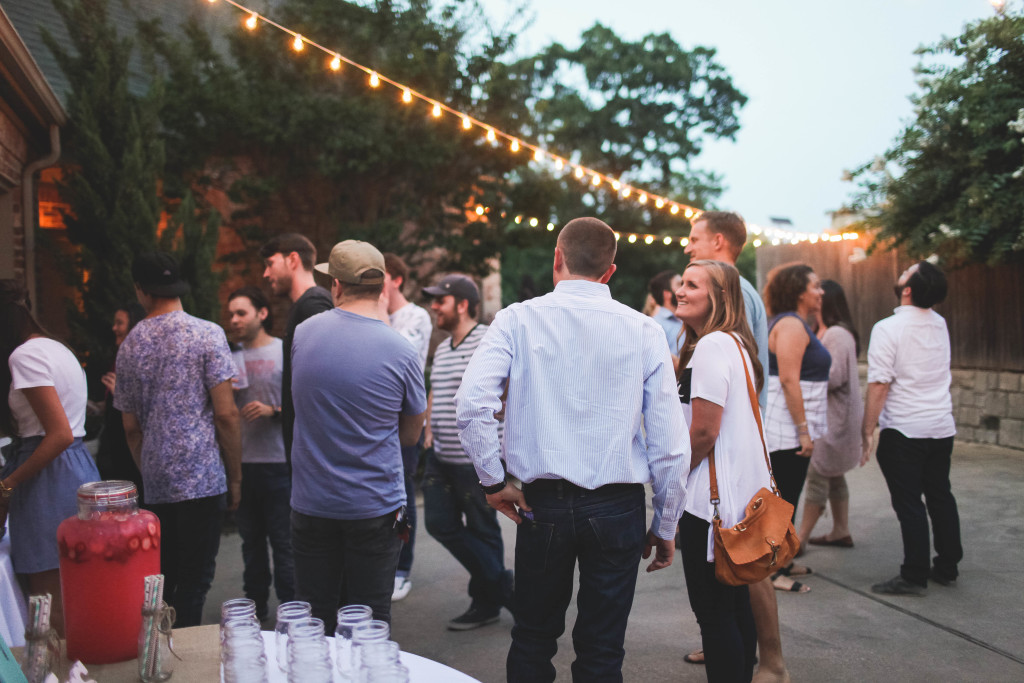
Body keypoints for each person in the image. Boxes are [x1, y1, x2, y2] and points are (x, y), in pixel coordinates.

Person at [456, 217, 690, 683]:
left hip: (542, 504)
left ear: (557, 258)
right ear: (610, 271)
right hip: (617, 506)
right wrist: (666, 524)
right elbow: (669, 444)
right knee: (603, 649)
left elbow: (470, 404)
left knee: (532, 637)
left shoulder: (517, 319)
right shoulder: (645, 331)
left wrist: (493, 481)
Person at [290, 240, 427, 630]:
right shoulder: (400, 350)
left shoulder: (303, 334)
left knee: (314, 617)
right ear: (383, 287)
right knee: (369, 618)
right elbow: (411, 432)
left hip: (312, 502)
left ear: (336, 285)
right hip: (375, 504)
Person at [682, 211, 785, 681]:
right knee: (732, 610)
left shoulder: (709, 347)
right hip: (739, 494)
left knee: (715, 616)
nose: (680, 292)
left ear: (718, 296)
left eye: (691, 286)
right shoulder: (735, 344)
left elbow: (704, 432)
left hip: (709, 507)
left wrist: (671, 474)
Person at [115, 252, 242, 627]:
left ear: (141, 290)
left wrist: (149, 465)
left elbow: (130, 427)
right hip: (203, 478)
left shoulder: (130, 346)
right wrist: (235, 476)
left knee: (164, 580)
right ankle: (184, 661)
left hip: (157, 481)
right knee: (197, 580)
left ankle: (162, 653)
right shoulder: (208, 334)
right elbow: (226, 414)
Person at [0, 280, 100, 636]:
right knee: (74, 590)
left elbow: (58, 433)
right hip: (76, 466)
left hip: (46, 473)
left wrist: (7, 484)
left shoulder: (22, 356)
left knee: (48, 600)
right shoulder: (56, 347)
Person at [420, 274, 513, 631]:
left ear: (461, 304)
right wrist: (429, 429)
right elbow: (436, 392)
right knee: (439, 524)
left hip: (477, 461)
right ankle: (505, 586)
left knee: (482, 530)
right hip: (440, 457)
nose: (433, 307)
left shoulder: (486, 341)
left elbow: (503, 391)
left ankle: (485, 602)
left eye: (439, 301)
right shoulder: (443, 348)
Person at [864, 261, 962, 597]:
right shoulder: (940, 324)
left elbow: (879, 383)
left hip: (904, 429)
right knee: (940, 495)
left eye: (907, 271)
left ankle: (914, 573)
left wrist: (867, 429)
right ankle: (948, 564)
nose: (902, 271)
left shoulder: (887, 328)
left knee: (909, 503)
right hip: (940, 426)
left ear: (907, 289)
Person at [762, 262, 830, 593]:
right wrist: (803, 430)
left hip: (791, 427)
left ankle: (783, 560)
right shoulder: (790, 325)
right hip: (784, 430)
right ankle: (771, 571)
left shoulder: (795, 323)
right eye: (816, 285)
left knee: (789, 495)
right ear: (800, 291)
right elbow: (789, 380)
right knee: (783, 499)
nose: (821, 292)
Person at [227, 286, 294, 622]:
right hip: (243, 466)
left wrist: (274, 410)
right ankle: (254, 612)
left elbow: (301, 404)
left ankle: (292, 612)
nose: (234, 320)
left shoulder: (285, 351)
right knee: (250, 546)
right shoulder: (230, 357)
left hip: (279, 464)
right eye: (231, 315)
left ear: (262, 314)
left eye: (242, 313)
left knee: (284, 544)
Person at [382, 253, 432, 602]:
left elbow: (400, 357)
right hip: (376, 421)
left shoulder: (415, 316)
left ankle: (402, 569)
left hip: (405, 420)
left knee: (403, 494)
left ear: (396, 279)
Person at [799, 281, 862, 548]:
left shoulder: (837, 334)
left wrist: (797, 376)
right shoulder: (819, 330)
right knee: (833, 474)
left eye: (818, 293)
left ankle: (798, 540)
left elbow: (834, 376)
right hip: (822, 415)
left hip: (833, 417)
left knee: (817, 472)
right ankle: (840, 530)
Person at [259, 233, 333, 460]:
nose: (266, 273)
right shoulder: (304, 305)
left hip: (314, 452)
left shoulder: (313, 304)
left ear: (292, 260)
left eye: (270, 264)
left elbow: (326, 378)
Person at [95, 302, 147, 496]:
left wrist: (121, 394)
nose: (114, 328)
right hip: (112, 448)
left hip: (130, 454)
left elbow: (145, 409)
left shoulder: (141, 362)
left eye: (120, 323)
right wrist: (99, 407)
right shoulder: (118, 358)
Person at [648, 269, 683, 354]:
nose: (684, 288)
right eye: (680, 284)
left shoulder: (687, 319)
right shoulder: (655, 325)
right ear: (667, 294)